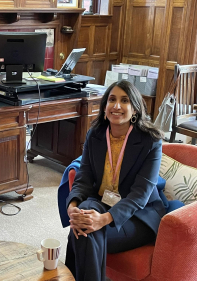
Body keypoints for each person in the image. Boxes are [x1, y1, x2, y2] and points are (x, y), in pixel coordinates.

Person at [64, 80, 165, 281]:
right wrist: (73, 206)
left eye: (124, 100)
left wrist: (103, 219)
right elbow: (84, 177)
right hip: (102, 201)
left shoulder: (150, 141)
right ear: (104, 108)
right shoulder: (96, 134)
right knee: (83, 218)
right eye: (112, 99)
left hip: (138, 215)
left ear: (135, 109)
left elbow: (140, 195)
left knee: (84, 233)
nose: (116, 106)